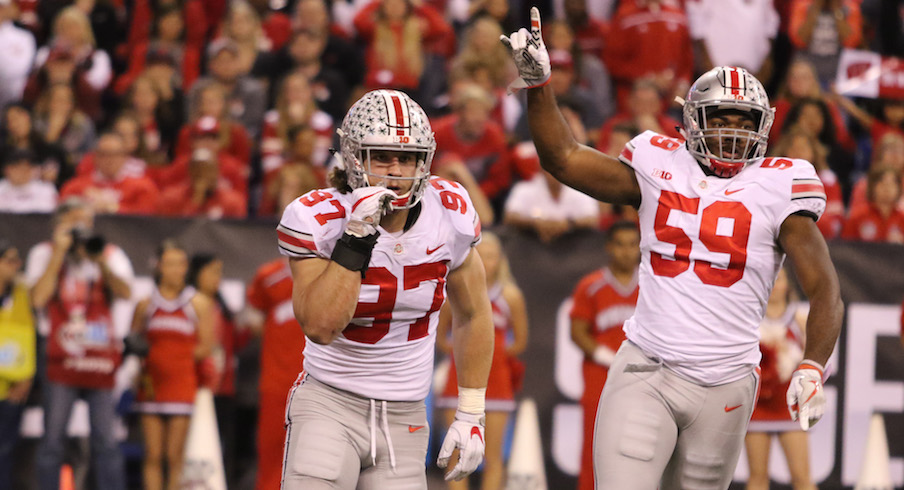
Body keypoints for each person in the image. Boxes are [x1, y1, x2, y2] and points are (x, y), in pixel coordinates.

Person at [502, 10, 843, 488]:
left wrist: (812, 363)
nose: (729, 133)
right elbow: (564, 157)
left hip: (727, 382)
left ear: (762, 127)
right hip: (648, 366)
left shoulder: (780, 185)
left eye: (742, 122)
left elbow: (825, 286)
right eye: (717, 119)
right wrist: (539, 87)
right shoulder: (660, 165)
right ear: (690, 122)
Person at [276, 88, 494, 488]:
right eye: (383, 157)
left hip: (405, 416)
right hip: (330, 403)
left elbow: (474, 313)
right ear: (355, 158)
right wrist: (356, 236)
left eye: (408, 158)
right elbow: (321, 326)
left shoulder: (449, 212)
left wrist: (471, 411)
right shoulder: (319, 217)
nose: (396, 171)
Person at [25, 197, 134, 490]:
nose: (79, 229)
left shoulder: (108, 253)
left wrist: (100, 262)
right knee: (53, 438)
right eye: (72, 222)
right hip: (60, 355)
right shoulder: (43, 252)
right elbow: (37, 299)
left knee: (106, 440)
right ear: (58, 225)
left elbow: (125, 293)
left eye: (84, 222)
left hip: (98, 356)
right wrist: (59, 254)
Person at [436, 231, 528, 490]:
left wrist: (489, 354)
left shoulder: (510, 296)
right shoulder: (453, 292)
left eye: (492, 256)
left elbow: (520, 342)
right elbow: (441, 337)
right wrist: (464, 353)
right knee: (456, 452)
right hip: (457, 379)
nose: (487, 262)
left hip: (497, 382)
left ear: (500, 260)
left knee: (492, 455)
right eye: (481, 256)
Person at [130, 240, 214, 490]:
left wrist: (175, 359)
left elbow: (206, 346)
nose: (177, 270)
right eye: (170, 264)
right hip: (151, 385)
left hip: (181, 385)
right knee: (153, 454)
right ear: (159, 267)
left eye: (181, 264)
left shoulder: (197, 303)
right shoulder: (146, 304)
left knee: (174, 456)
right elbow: (134, 339)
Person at [569, 221, 640, 490]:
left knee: (645, 447)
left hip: (644, 381)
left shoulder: (652, 286)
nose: (626, 252)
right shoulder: (591, 286)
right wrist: (604, 355)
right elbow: (577, 331)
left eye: (632, 244)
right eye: (620, 244)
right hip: (601, 378)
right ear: (609, 247)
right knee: (595, 447)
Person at [745, 267, 815, 490]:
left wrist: (790, 355)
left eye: (780, 279)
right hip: (758, 405)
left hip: (789, 405)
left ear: (787, 284)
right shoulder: (750, 319)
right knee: (757, 476)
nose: (775, 286)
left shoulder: (799, 319)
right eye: (770, 280)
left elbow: (816, 359)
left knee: (802, 476)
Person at [243, 257, 306, 490]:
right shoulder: (267, 276)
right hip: (276, 383)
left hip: (319, 383)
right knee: (272, 455)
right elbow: (252, 320)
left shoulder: (331, 270)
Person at [0, 240, 36, 490]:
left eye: (17, 260)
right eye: (10, 260)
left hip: (12, 386)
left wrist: (27, 377)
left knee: (5, 451)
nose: (16, 266)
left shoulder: (21, 294)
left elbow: (28, 335)